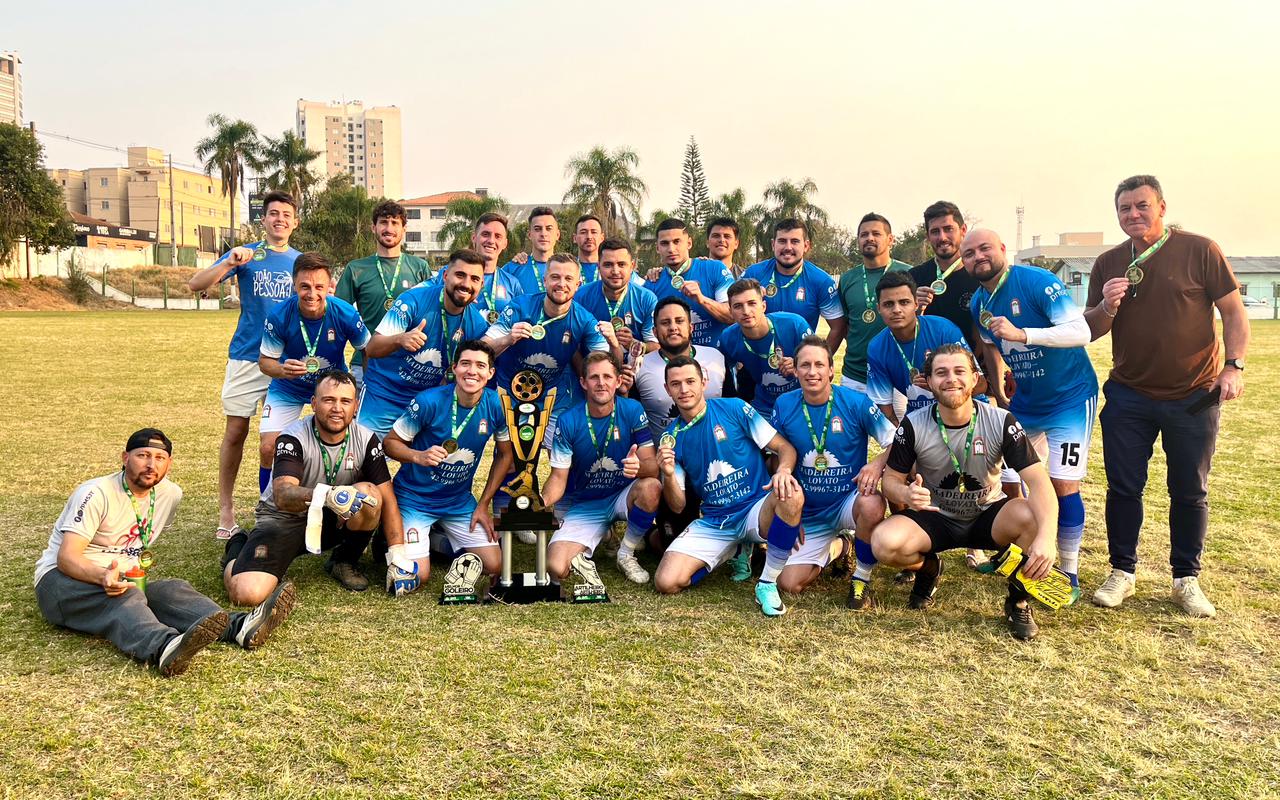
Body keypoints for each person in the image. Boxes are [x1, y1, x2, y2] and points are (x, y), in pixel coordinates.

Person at [1083, 175, 1249, 617]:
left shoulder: (1200, 249)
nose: (1133, 215)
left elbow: (1233, 311)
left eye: (1141, 206)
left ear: (1161, 206)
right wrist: (1106, 305)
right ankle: (1122, 571)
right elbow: (1093, 329)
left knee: (1190, 490)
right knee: (1123, 487)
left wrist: (1233, 366)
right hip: (1129, 394)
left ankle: (1185, 579)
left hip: (1193, 393)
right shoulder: (1109, 262)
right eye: (1124, 209)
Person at [35, 429, 296, 676]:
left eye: (160, 458)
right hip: (61, 582)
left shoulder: (169, 494)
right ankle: (164, 647)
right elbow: (67, 558)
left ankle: (239, 626)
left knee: (173, 589)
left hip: (124, 580)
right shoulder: (96, 493)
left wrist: (122, 577)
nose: (151, 465)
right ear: (125, 458)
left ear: (169, 463)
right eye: (142, 455)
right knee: (124, 600)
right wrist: (103, 576)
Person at [870, 345, 1057, 640]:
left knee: (1031, 516)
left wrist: (1047, 539)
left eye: (959, 371)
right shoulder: (914, 423)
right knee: (884, 543)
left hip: (988, 514)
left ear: (974, 379)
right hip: (936, 516)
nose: (951, 379)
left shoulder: (1001, 421)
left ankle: (1018, 600)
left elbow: (1039, 483)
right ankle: (930, 568)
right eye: (941, 373)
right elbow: (890, 480)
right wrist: (905, 495)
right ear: (928, 382)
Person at [962, 228, 1098, 598]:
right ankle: (1016, 553)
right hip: (1025, 403)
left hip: (1069, 399)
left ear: (1003, 249)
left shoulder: (1038, 281)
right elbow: (991, 346)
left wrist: (1025, 335)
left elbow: (1080, 331)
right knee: (1007, 478)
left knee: (1062, 482)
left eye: (985, 248)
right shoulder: (978, 302)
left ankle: (1067, 573)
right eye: (970, 253)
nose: (978, 257)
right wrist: (998, 384)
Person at [187, 190, 300, 540]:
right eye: (273, 213)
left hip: (285, 362)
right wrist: (230, 264)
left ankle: (272, 506)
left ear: (295, 222)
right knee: (236, 432)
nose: (279, 219)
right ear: (263, 220)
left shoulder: (300, 261)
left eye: (286, 214)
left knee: (277, 442)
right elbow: (196, 285)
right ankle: (226, 508)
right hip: (247, 356)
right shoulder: (246, 255)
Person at [653, 356, 805, 617]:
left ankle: (767, 583)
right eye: (675, 384)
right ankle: (733, 548)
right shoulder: (671, 438)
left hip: (756, 509)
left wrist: (782, 471)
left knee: (790, 492)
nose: (684, 389)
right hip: (715, 521)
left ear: (704, 382)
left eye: (690, 381)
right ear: (667, 389)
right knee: (666, 582)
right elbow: (678, 505)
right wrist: (667, 474)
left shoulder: (734, 408)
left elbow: (784, 447)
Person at [222, 371, 396, 598]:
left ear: (355, 407)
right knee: (247, 594)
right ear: (314, 404)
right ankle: (237, 547)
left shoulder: (366, 438)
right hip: (285, 520)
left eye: (345, 401)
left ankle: (343, 561)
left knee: (369, 495)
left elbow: (387, 497)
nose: (337, 408)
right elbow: (283, 495)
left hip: (332, 519)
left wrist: (397, 553)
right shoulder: (292, 437)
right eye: (328, 400)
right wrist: (327, 495)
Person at [380, 340, 515, 596]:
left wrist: (483, 504)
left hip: (457, 501)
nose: (472, 371)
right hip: (414, 499)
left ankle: (434, 539)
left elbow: (505, 456)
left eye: (480, 365)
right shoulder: (428, 401)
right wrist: (418, 456)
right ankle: (391, 534)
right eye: (465, 364)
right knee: (417, 575)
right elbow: (390, 444)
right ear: (454, 368)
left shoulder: (496, 404)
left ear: (490, 373)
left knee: (494, 564)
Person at [770, 337, 895, 603]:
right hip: (809, 509)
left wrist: (876, 463)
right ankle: (841, 547)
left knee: (872, 503)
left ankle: (861, 578)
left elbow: (896, 441)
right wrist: (789, 514)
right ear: (796, 370)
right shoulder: (784, 404)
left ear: (831, 370)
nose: (811, 372)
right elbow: (776, 455)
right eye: (804, 365)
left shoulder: (856, 402)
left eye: (818, 365)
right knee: (789, 583)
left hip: (848, 502)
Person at [543, 352, 660, 588]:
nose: (601, 382)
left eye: (608, 376)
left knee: (650, 487)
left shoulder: (632, 410)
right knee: (556, 567)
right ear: (583, 382)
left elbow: (652, 466)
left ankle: (626, 553)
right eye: (594, 377)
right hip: (585, 504)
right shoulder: (567, 421)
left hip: (622, 495)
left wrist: (638, 468)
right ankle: (605, 535)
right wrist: (538, 504)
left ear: (618, 382)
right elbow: (558, 477)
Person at [258, 253, 370, 475]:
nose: (312, 294)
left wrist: (365, 389)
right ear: (294, 284)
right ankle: (267, 502)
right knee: (269, 447)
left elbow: (368, 351)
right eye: (305, 286)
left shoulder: (346, 313)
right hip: (288, 387)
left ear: (330, 285)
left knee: (346, 448)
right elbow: (264, 362)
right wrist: (282, 370)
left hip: (331, 389)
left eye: (319, 287)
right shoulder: (279, 315)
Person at [357, 249, 489, 436]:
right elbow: (372, 348)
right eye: (460, 275)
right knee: (364, 459)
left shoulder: (477, 324)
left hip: (425, 402)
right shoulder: (413, 301)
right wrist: (399, 339)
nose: (466, 284)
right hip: (383, 396)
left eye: (474, 279)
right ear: (445, 276)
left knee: (426, 462)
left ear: (481, 284)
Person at [335, 200, 433, 388]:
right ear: (373, 227)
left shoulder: (420, 268)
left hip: (410, 364)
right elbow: (339, 318)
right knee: (361, 418)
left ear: (404, 228)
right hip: (366, 362)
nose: (389, 228)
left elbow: (431, 314)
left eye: (395, 223)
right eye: (383, 222)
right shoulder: (356, 269)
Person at [867, 271, 974, 424]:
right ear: (878, 308)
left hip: (965, 415)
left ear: (916, 304)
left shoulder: (944, 330)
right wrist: (902, 438)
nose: (896, 309)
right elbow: (884, 406)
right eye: (888, 304)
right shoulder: (876, 348)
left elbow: (980, 384)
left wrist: (939, 388)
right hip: (921, 421)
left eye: (904, 302)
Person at [632, 296, 730, 440]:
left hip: (715, 447)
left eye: (679, 321)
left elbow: (730, 407)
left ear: (691, 327)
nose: (673, 327)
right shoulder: (640, 366)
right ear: (654, 332)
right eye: (665, 323)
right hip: (665, 455)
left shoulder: (716, 358)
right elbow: (633, 420)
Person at [837, 213, 913, 393]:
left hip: (900, 374)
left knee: (899, 422)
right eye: (864, 235)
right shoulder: (847, 279)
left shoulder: (910, 274)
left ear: (890, 239)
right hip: (855, 375)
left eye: (876, 233)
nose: (869, 238)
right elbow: (846, 325)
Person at [743, 219, 845, 348]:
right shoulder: (753, 274)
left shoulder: (821, 281)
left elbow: (838, 327)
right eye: (782, 241)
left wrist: (821, 358)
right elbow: (733, 315)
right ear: (773, 244)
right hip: (756, 358)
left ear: (806, 246)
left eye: (795, 241)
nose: (788, 247)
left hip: (800, 364)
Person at [717, 278, 812, 417]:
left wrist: (799, 365)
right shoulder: (727, 339)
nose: (746, 311)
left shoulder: (794, 324)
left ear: (764, 306)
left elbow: (824, 366)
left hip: (802, 403)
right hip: (763, 408)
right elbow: (723, 377)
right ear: (730, 311)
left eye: (752, 303)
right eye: (738, 306)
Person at [643, 218, 735, 347]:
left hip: (716, 360)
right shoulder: (651, 283)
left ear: (689, 243)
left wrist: (702, 299)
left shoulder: (715, 269)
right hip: (674, 364)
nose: (671, 249)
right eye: (664, 243)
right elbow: (650, 334)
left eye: (677, 242)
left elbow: (733, 316)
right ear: (657, 248)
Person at [911, 201, 984, 354]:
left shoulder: (981, 276)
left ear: (963, 230)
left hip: (974, 369)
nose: (942, 237)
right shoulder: (913, 277)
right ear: (928, 236)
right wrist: (914, 309)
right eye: (935, 231)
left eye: (948, 229)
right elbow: (904, 331)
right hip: (929, 369)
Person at [574, 238, 658, 357]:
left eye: (621, 264)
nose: (615, 271)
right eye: (608, 265)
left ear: (632, 266)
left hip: (634, 371)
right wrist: (584, 372)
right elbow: (573, 346)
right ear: (599, 266)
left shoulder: (646, 298)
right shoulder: (581, 296)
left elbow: (656, 347)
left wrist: (632, 343)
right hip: (593, 371)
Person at [471, 212, 525, 324]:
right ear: (474, 238)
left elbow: (521, 318)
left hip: (501, 341)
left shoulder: (512, 283)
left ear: (505, 243)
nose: (491, 241)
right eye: (485, 234)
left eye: (498, 236)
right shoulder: (454, 274)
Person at [504, 206, 561, 294]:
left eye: (549, 229)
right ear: (530, 234)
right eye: (537, 229)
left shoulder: (568, 269)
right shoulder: (512, 268)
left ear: (557, 235)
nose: (543, 234)